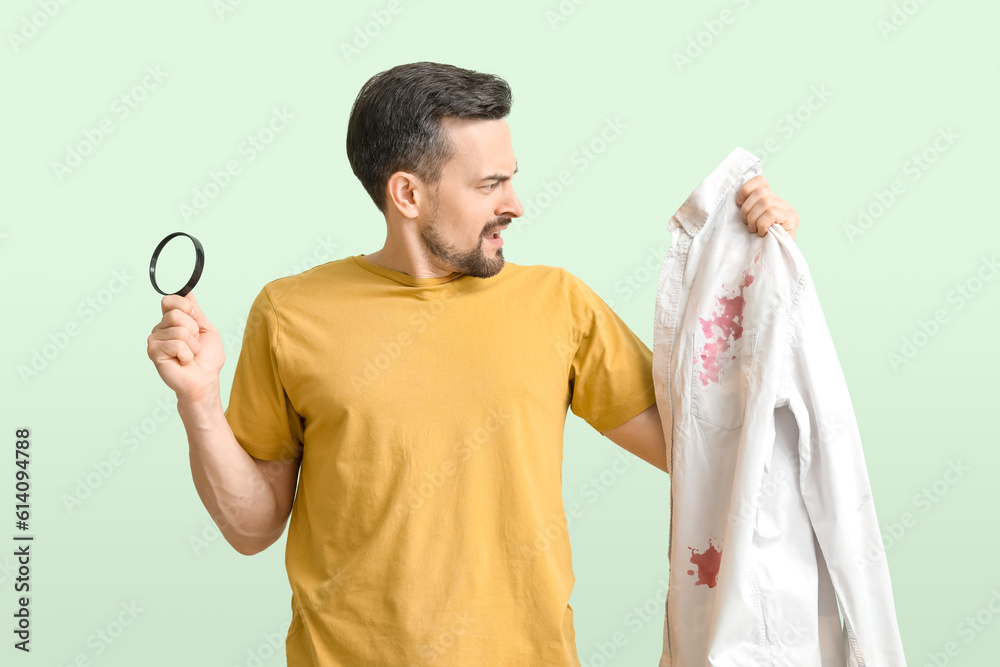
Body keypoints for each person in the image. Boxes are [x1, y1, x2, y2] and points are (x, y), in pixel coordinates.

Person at [146, 61, 800, 666]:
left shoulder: (557, 303)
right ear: (407, 193)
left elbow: (706, 450)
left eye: (510, 177)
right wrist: (199, 402)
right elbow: (251, 526)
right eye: (491, 184)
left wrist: (759, 274)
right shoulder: (290, 312)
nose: (515, 203)